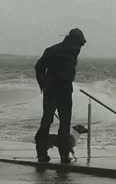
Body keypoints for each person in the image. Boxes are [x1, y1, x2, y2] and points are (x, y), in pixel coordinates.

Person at [34, 28, 87, 163]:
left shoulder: (72, 50)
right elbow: (39, 67)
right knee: (49, 121)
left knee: (62, 122)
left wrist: (43, 84)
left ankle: (62, 154)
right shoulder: (53, 50)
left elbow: (39, 68)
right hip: (53, 90)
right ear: (73, 41)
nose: (80, 47)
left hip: (64, 90)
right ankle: (43, 153)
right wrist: (44, 84)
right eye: (79, 44)